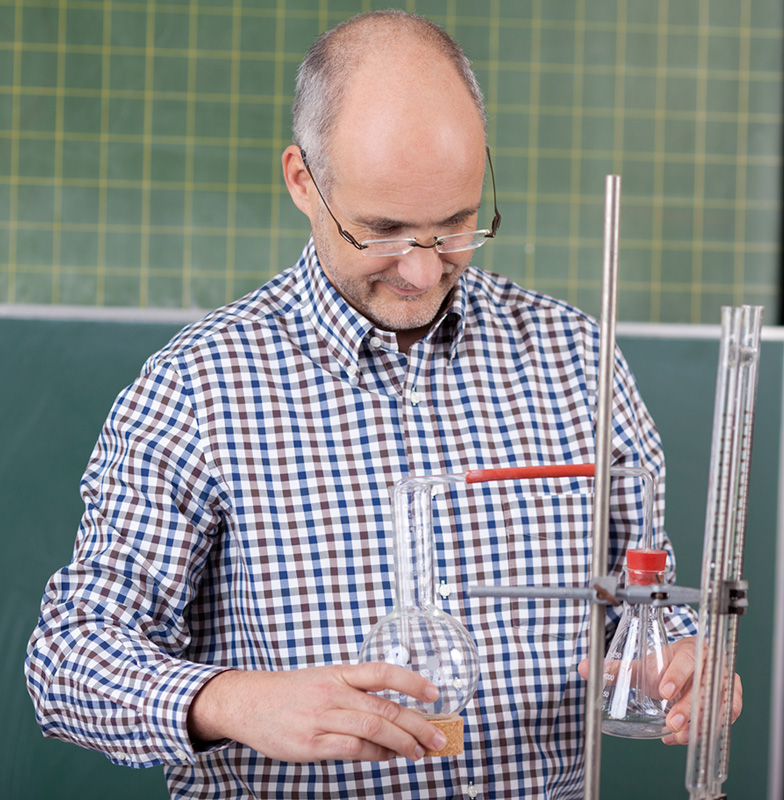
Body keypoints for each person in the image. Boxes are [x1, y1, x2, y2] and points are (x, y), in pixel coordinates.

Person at [26, 10, 740, 799]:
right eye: (383, 231)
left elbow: (643, 605)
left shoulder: (577, 360)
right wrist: (235, 702)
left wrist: (683, 660)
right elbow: (68, 662)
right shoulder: (199, 387)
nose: (422, 271)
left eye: (457, 225)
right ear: (303, 181)